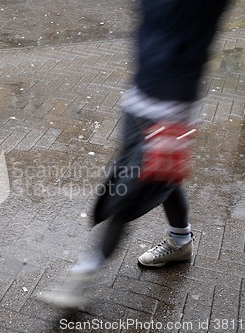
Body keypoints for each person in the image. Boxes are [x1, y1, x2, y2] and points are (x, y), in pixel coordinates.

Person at [37, 0, 231, 308]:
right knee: (161, 179)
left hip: (171, 110)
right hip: (140, 97)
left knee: (129, 194)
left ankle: (80, 278)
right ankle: (181, 241)